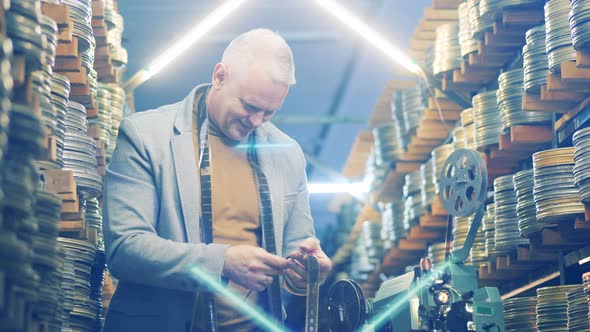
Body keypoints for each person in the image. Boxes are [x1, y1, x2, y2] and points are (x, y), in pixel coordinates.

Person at [102, 28, 332, 332]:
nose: (256, 122)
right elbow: (125, 249)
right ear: (220, 75)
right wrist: (221, 262)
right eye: (250, 106)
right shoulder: (145, 136)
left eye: (269, 113)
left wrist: (308, 270)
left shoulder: (288, 154)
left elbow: (295, 252)